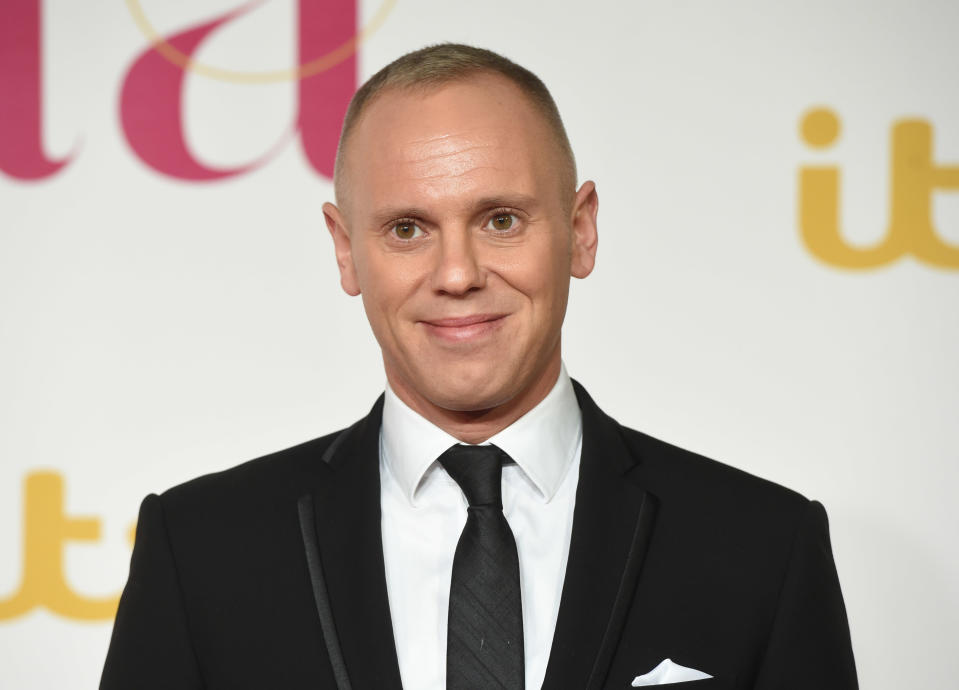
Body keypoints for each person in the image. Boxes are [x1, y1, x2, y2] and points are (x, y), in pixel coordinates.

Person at [100, 44, 858, 690]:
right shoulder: (201, 549)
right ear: (345, 250)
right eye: (406, 228)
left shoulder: (762, 546)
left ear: (580, 229)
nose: (456, 273)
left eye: (500, 219)